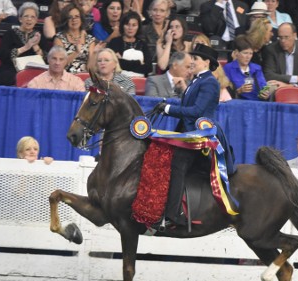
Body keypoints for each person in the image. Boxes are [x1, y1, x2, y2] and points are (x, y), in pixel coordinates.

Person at [151, 43, 234, 227]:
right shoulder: (196, 82)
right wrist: (167, 108)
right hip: (187, 134)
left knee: (178, 163)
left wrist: (168, 108)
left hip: (199, 137)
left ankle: (173, 214)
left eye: (195, 59)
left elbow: (196, 111)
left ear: (206, 62)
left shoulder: (210, 82)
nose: (192, 62)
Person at [0, 2, 49, 86]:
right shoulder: (10, 34)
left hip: (33, 71)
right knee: (6, 77)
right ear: (20, 19)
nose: (29, 19)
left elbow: (47, 59)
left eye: (32, 17)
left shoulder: (40, 36)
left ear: (36, 20)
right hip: (12, 69)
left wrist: (35, 46)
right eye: (26, 16)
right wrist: (26, 47)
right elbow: (3, 56)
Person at [223, 35, 270, 101]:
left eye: (251, 53)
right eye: (245, 53)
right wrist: (239, 91)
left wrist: (266, 94)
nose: (248, 57)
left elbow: (264, 86)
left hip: (257, 104)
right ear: (236, 52)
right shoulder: (228, 68)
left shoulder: (257, 68)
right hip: (237, 105)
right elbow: (224, 93)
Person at [107, 10, 153, 77]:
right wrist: (138, 63)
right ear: (122, 26)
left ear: (138, 27)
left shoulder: (143, 44)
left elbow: (148, 68)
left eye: (134, 25)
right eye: (127, 24)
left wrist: (122, 61)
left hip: (141, 82)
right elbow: (113, 64)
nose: (130, 28)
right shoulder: (114, 42)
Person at [54, 3, 97, 73]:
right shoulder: (59, 38)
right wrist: (76, 52)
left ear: (81, 19)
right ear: (66, 20)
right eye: (70, 17)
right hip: (65, 76)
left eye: (77, 16)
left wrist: (94, 54)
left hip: (84, 77)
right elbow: (58, 64)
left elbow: (90, 68)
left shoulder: (90, 39)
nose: (74, 19)